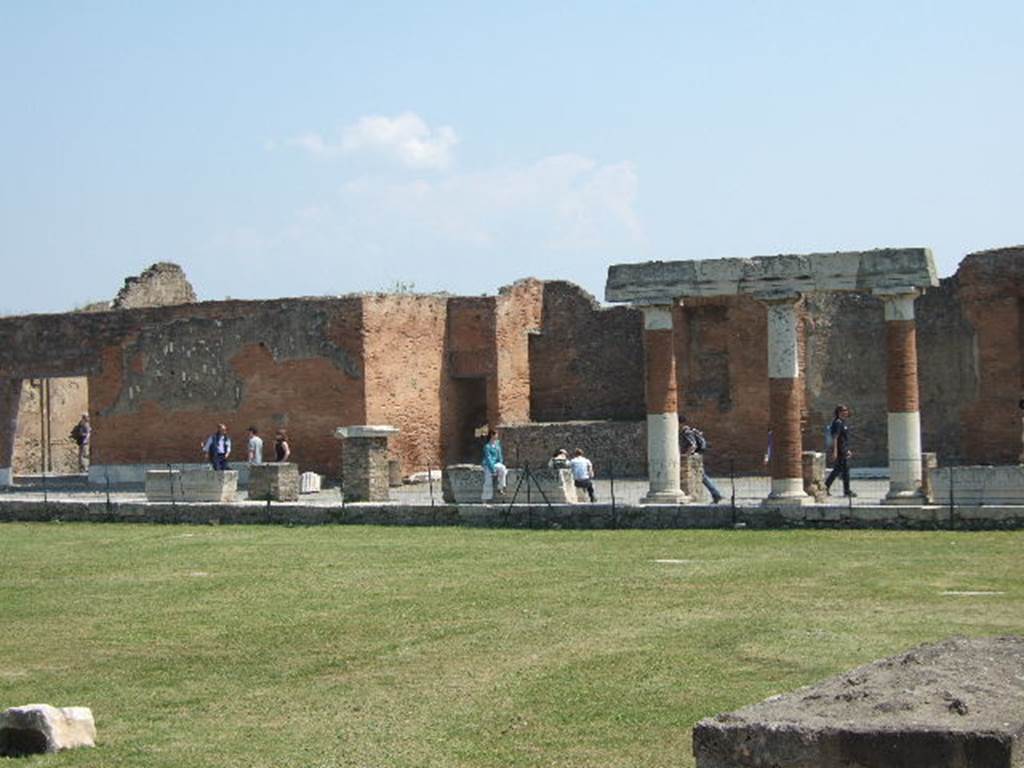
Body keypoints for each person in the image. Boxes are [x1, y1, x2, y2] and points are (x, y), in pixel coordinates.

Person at [680, 415, 723, 504]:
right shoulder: (691, 430)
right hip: (696, 456)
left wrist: (685, 455)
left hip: (692, 458)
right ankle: (715, 494)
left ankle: (716, 494)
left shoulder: (686, 432)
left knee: (702, 476)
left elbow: (692, 445)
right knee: (702, 476)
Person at [825, 404, 856, 497]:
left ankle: (825, 487)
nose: (845, 412)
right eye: (843, 410)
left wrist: (848, 449)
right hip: (840, 451)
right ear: (838, 412)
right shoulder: (837, 423)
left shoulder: (842, 422)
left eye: (846, 410)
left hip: (844, 449)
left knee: (837, 470)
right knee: (845, 471)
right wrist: (835, 451)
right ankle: (847, 491)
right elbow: (835, 437)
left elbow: (844, 439)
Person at [481, 429, 507, 501]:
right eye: (496, 435)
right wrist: (493, 470)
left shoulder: (497, 445)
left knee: (503, 469)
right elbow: (488, 458)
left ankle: (500, 487)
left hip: (496, 463)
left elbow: (500, 455)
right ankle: (485, 500)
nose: (497, 436)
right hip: (488, 464)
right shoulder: (487, 446)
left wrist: (500, 463)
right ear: (492, 435)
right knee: (488, 481)